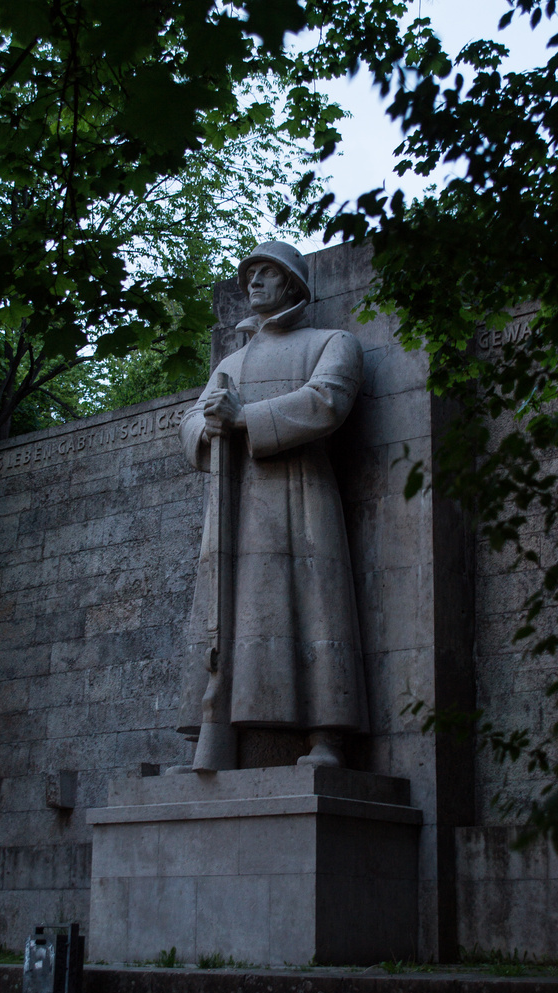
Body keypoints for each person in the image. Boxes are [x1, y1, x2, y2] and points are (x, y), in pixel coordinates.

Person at [177, 240, 368, 769]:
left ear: (292, 283)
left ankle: (328, 736)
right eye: (248, 275)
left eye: (266, 272)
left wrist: (243, 418)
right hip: (235, 506)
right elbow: (190, 423)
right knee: (224, 620)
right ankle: (214, 740)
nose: (253, 282)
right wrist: (207, 425)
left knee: (316, 607)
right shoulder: (231, 361)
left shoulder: (333, 342)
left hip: (301, 495)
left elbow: (327, 400)